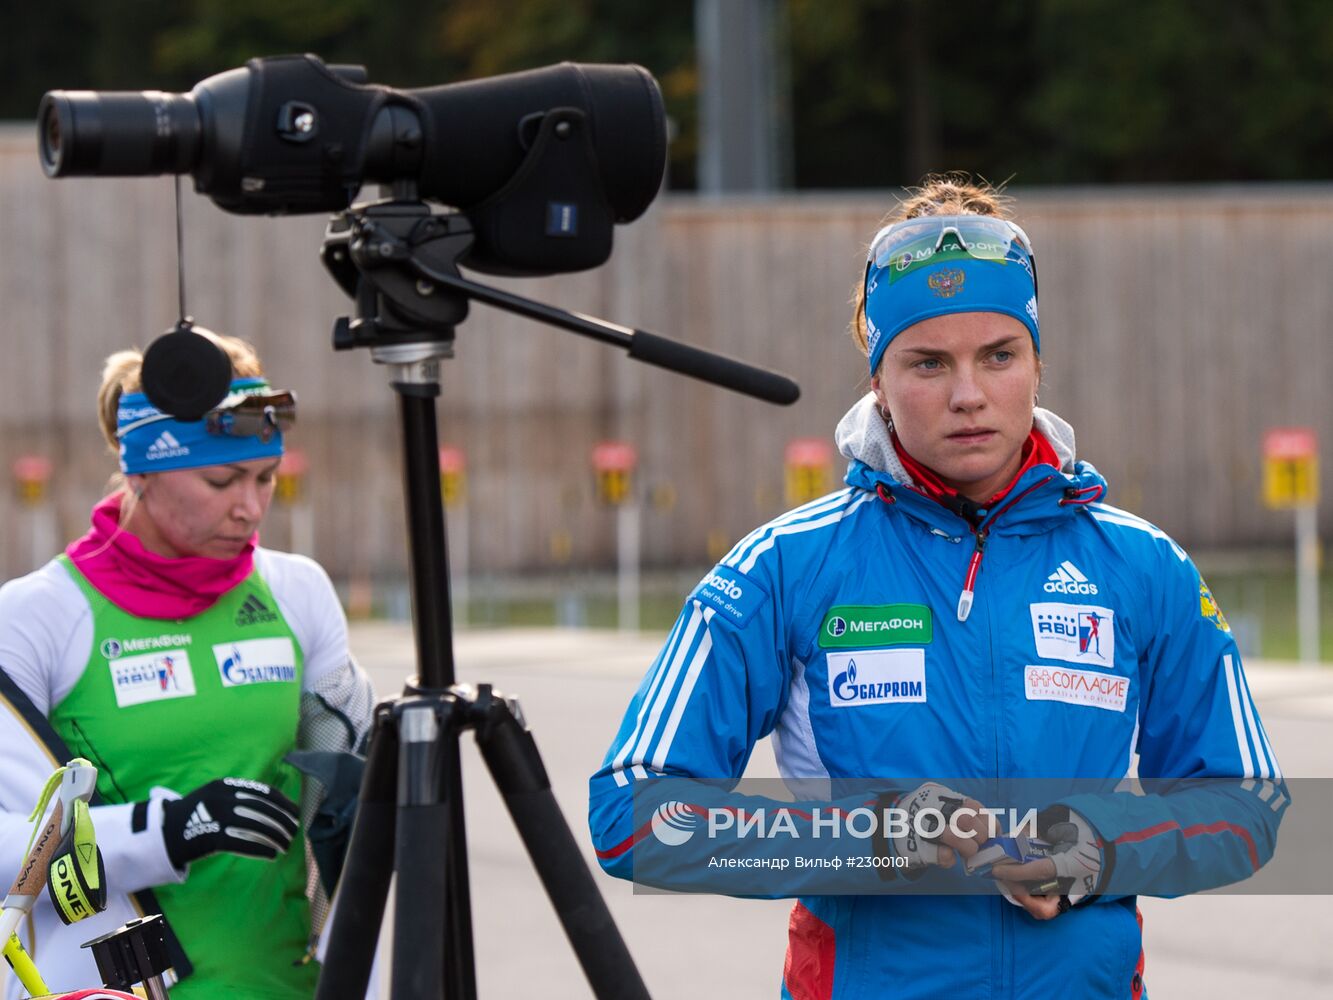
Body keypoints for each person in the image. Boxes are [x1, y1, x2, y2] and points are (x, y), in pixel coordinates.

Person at [589, 176, 1286, 999]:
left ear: (1036, 365)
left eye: (998, 355)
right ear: (876, 381)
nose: (968, 395)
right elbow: (633, 815)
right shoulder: (781, 567)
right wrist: (876, 838)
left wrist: (1094, 846)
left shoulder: (1141, 564)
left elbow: (1244, 805)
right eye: (927, 363)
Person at [0, 329, 374, 998]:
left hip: (290, 983)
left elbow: (355, 806)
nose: (250, 507)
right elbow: (7, 855)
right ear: (140, 470)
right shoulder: (37, 616)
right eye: (220, 481)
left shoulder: (297, 592)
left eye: (265, 478)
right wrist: (167, 831)